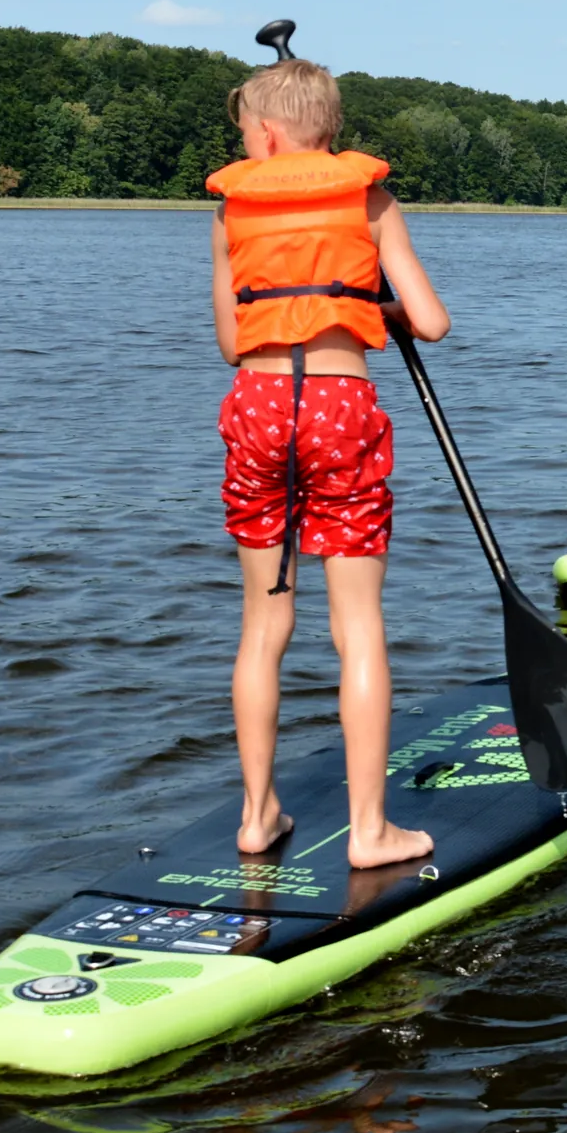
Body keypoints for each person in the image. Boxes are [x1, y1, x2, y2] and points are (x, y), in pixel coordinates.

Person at [208, 59, 450, 870]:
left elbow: (230, 340)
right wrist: (364, 304)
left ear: (267, 135)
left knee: (264, 625)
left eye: (245, 131)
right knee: (357, 629)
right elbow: (431, 321)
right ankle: (371, 831)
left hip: (260, 408)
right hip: (342, 411)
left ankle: (257, 814)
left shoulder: (231, 211)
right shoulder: (371, 199)